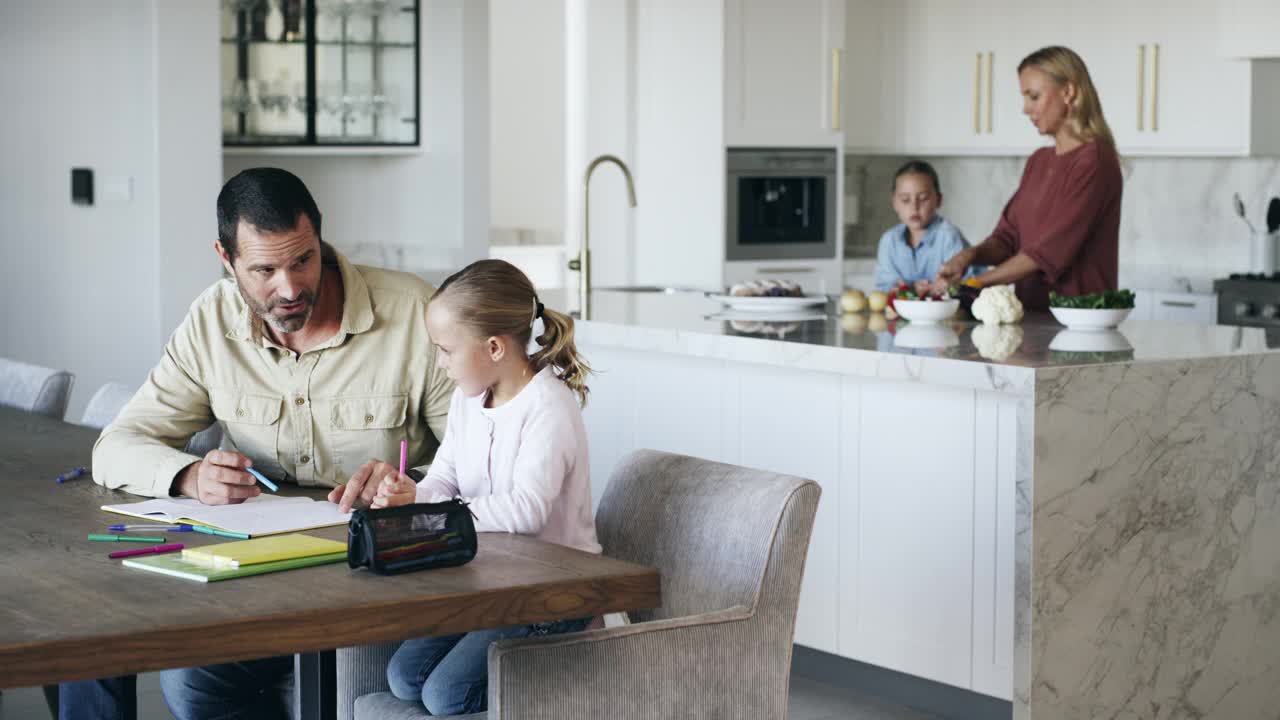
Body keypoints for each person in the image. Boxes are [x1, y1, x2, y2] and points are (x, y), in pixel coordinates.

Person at [63, 167, 455, 720]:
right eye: (264, 270)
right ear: (226, 260)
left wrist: (412, 485)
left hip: (382, 578)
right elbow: (117, 445)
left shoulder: (415, 312)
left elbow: (482, 456)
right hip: (259, 580)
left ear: (320, 239)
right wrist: (189, 476)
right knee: (192, 679)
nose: (290, 288)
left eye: (303, 260)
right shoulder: (210, 321)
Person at [338, 258, 601, 716]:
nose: (440, 365)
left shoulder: (549, 407)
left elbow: (526, 511)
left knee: (443, 695)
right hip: (494, 583)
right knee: (403, 678)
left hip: (552, 593)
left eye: (445, 350)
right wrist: (413, 494)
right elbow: (444, 477)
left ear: (495, 347)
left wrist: (438, 509)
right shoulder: (468, 400)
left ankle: (565, 689)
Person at [934, 46, 1122, 310]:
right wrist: (969, 256)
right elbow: (1007, 238)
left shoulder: (1094, 161)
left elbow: (1047, 252)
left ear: (1068, 92)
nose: (1025, 109)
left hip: (1081, 321)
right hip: (1033, 318)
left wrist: (975, 283)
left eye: (1033, 96)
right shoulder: (1038, 161)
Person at [873, 160, 970, 294]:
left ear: (939, 200)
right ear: (894, 203)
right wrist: (900, 289)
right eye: (905, 200)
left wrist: (945, 286)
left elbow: (968, 284)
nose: (914, 207)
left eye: (923, 198)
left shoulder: (949, 237)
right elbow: (883, 287)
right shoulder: (889, 241)